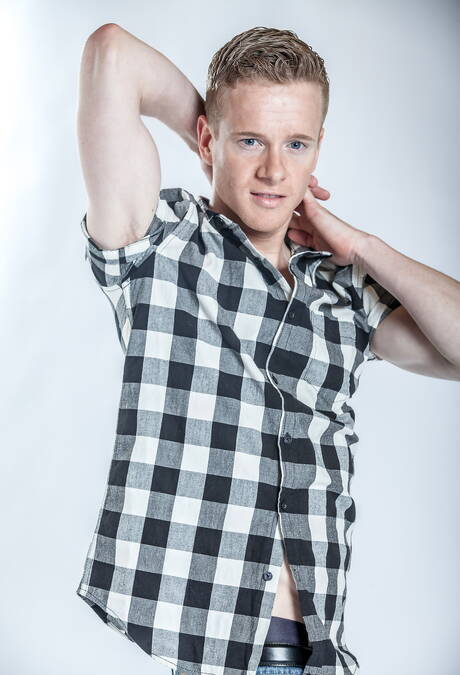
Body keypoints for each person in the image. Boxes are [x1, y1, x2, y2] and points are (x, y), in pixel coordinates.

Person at [75, 23, 460, 675]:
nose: (275, 170)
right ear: (209, 139)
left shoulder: (341, 291)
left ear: (317, 150)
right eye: (251, 140)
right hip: (217, 654)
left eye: (296, 143)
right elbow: (112, 54)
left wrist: (362, 246)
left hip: (318, 655)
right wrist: (211, 138)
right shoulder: (162, 247)